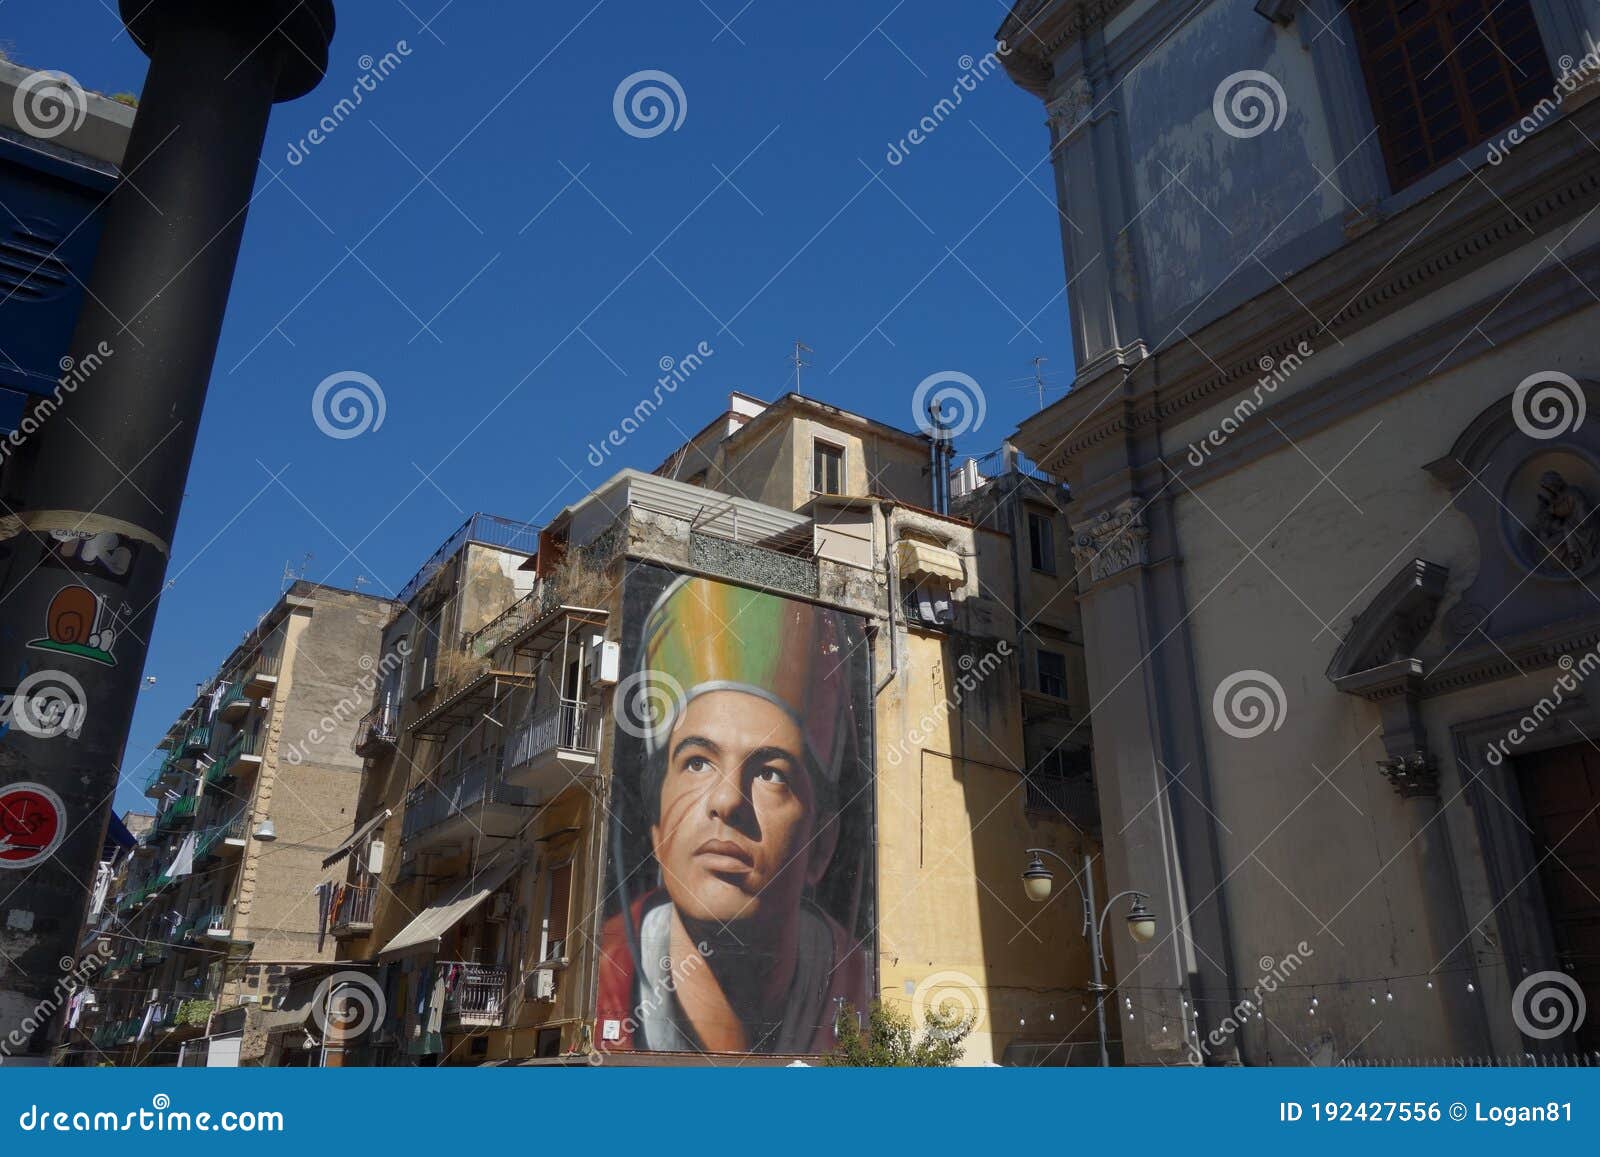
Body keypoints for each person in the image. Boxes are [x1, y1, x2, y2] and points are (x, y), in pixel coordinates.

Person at [597, 575, 869, 1054]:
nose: (727, 801)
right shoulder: (602, 974)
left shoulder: (865, 994)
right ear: (657, 827)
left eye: (770, 773)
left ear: (822, 844)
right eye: (697, 762)